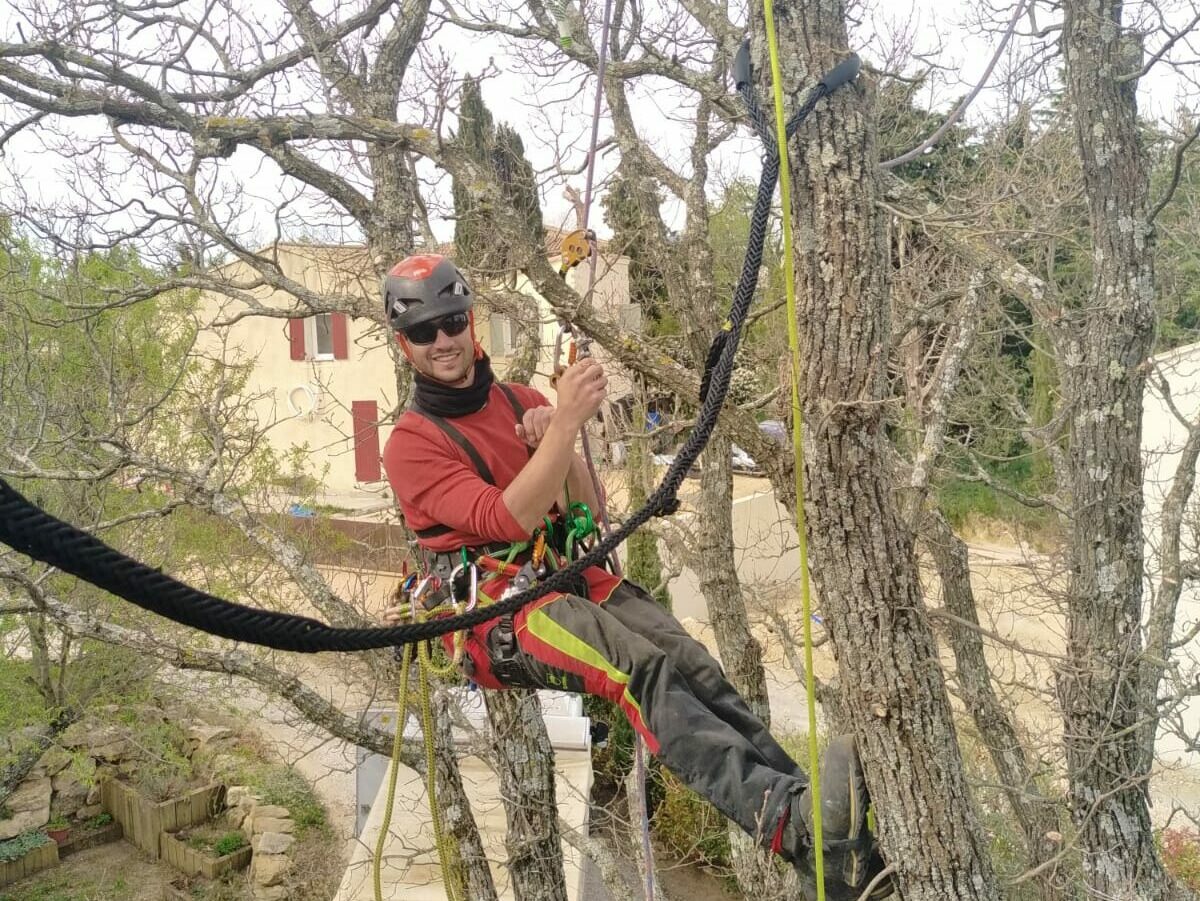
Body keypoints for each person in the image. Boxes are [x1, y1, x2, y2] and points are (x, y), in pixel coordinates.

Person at [379, 253, 890, 900]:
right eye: (423, 332)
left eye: (450, 321)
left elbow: (585, 505)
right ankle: (795, 826)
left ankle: (817, 820)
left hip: (565, 579)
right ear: (405, 345)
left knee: (690, 661)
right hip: (495, 616)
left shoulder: (523, 401)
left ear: (469, 319)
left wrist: (553, 439)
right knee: (635, 667)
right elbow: (505, 518)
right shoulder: (412, 442)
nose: (442, 341)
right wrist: (563, 422)